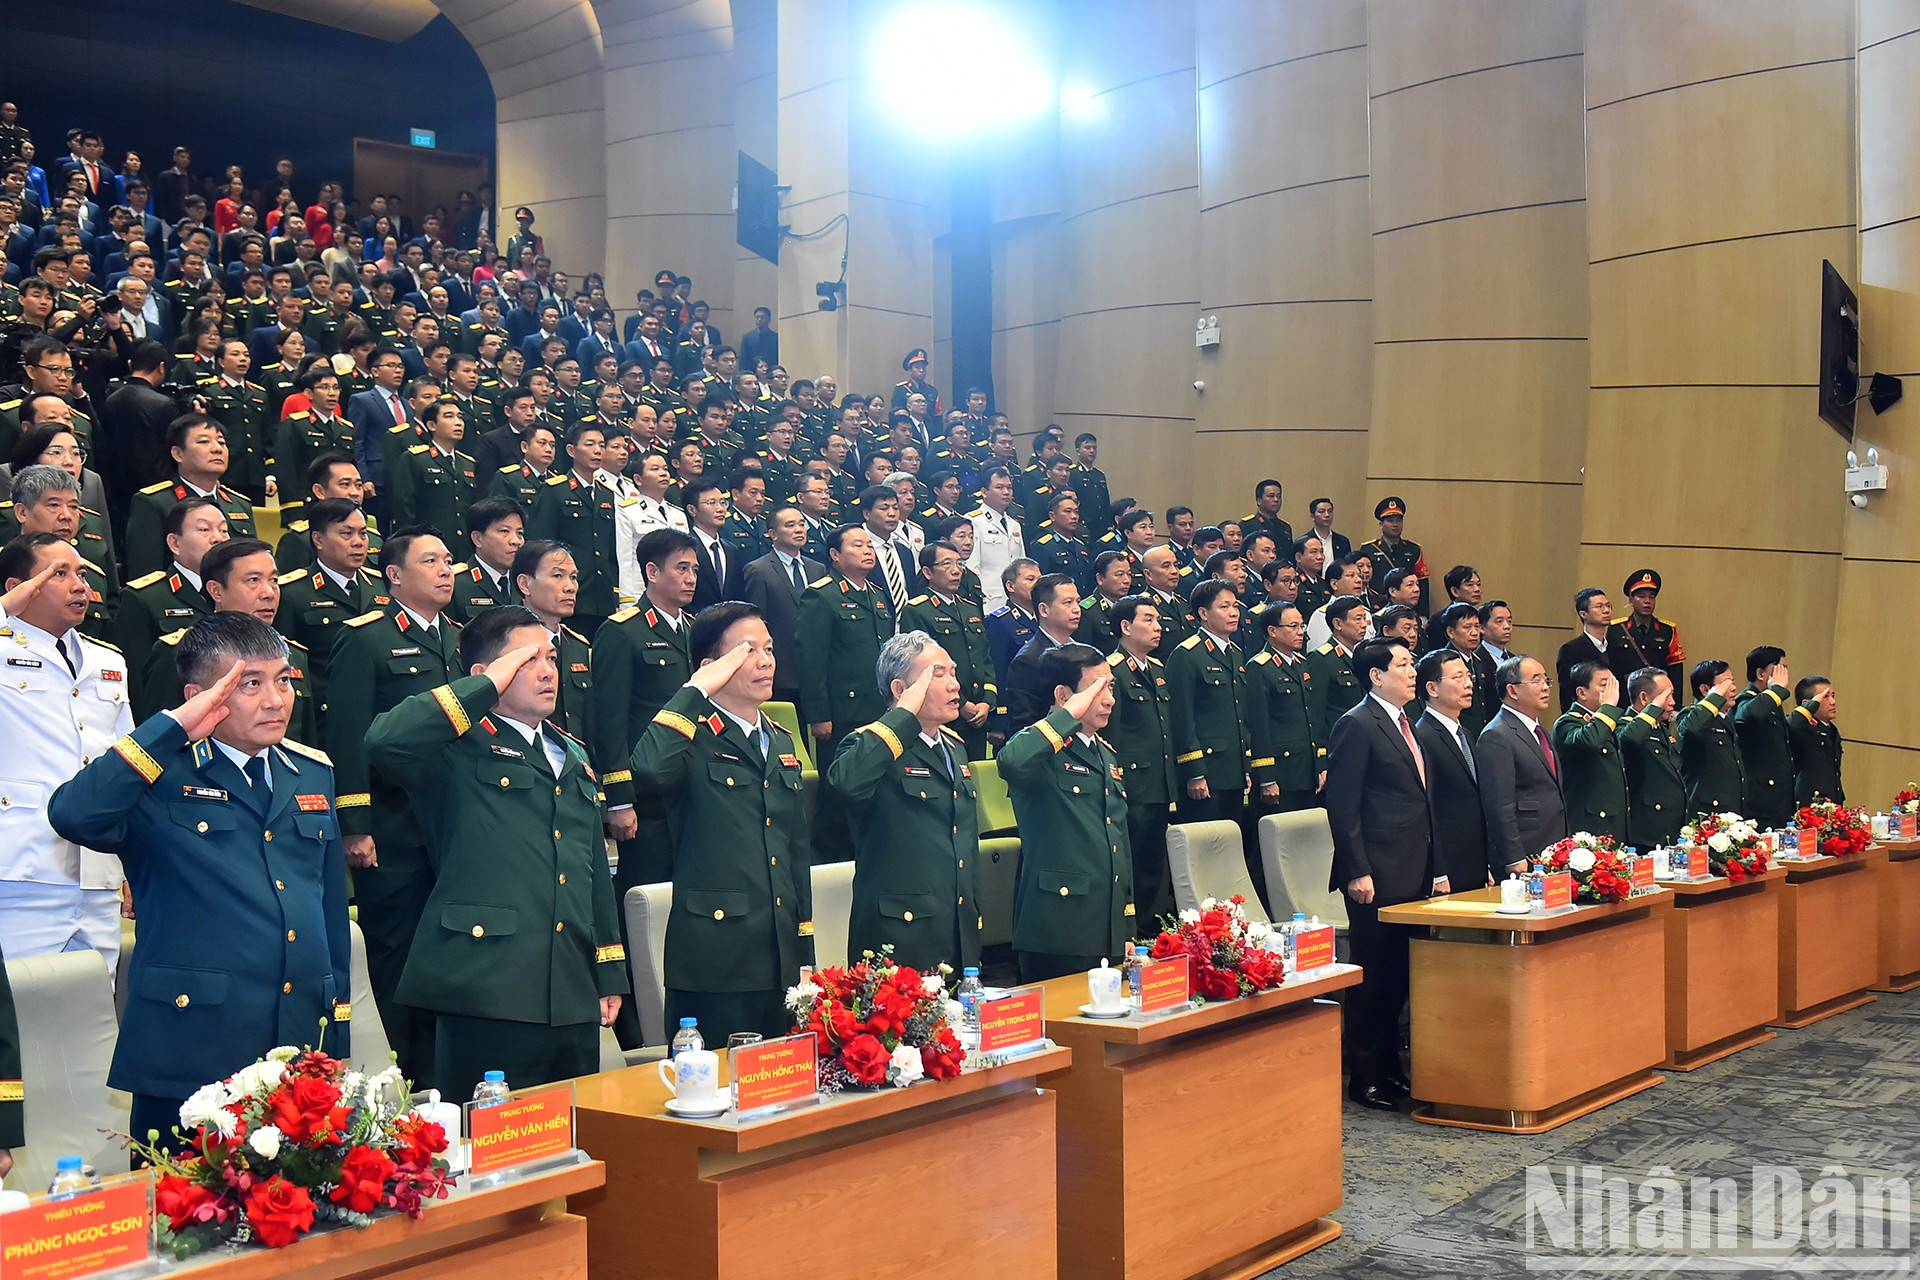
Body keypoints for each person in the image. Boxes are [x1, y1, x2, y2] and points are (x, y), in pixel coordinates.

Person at [48, 614, 347, 1150]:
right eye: (250, 684)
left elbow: (327, 915)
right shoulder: (159, 773)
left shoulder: (312, 773)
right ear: (199, 695)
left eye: (284, 680)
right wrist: (171, 729)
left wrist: (335, 1031)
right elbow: (74, 815)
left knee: (297, 1220)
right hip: (194, 1046)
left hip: (297, 1039)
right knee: (185, 1222)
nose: (276, 699)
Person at [366, 604, 624, 1098]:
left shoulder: (573, 754)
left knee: (575, 1140)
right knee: (490, 1146)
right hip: (486, 982)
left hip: (570, 981)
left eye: (550, 656)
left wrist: (608, 968)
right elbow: (384, 740)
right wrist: (483, 689)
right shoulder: (454, 745)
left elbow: (590, 867)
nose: (548, 670)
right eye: (529, 660)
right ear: (487, 673)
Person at [630, 601, 811, 1042]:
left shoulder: (782, 740)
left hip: (780, 953)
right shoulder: (688, 735)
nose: (765, 660)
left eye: (768, 649)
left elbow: (794, 849)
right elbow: (649, 769)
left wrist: (804, 947)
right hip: (715, 958)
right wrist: (694, 691)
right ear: (711, 666)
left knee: (785, 1095)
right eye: (748, 650)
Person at [323, 528, 459, 1082]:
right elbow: (350, 733)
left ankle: (447, 1073)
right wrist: (355, 824)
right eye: (431, 561)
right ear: (395, 575)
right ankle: (409, 1080)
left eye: (449, 560)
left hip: (452, 827)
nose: (446, 569)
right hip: (394, 829)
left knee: (450, 956)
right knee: (399, 956)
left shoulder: (460, 638)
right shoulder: (367, 639)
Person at [0, 536, 132, 965]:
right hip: (21, 869)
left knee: (92, 1016)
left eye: (81, 573)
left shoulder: (107, 661)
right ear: (18, 585)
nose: (80, 585)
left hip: (97, 869)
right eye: (59, 573)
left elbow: (127, 765)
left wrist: (132, 861)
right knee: (18, 1014)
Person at [1325, 637, 1439, 1111]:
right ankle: (1364, 1077)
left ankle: (1392, 1070)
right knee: (1373, 977)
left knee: (1399, 975)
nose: (1412, 671)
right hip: (1375, 874)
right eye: (1404, 665)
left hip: (1413, 868)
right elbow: (1343, 804)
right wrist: (1357, 870)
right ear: (1376, 675)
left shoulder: (1404, 721)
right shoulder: (1357, 724)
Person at [825, 631, 982, 974]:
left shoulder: (955, 748)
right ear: (900, 690)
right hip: (899, 937)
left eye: (954, 673)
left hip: (956, 930)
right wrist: (901, 718)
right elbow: (845, 785)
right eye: (938, 675)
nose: (954, 685)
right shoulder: (869, 745)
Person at [999, 644, 1133, 982]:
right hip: (1058, 930)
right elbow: (1011, 762)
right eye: (1097, 689)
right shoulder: (1041, 749)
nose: (1109, 699)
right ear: (1064, 695)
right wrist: (1067, 716)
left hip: (1106, 925)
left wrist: (1126, 923)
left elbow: (1118, 841)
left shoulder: (1106, 754)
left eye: (1111, 687)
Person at [139, 538, 317, 743]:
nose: (269, 593)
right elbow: (159, 737)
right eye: (253, 580)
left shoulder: (291, 653)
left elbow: (305, 740)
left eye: (274, 581)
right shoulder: (180, 652)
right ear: (216, 590)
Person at [1103, 596, 1176, 920]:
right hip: (1132, 781)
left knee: (1155, 859)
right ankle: (1131, 926)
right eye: (1148, 620)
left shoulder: (1157, 668)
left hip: (1158, 781)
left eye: (1158, 620)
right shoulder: (1112, 670)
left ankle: (1152, 926)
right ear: (1125, 626)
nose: (1157, 627)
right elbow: (1111, 734)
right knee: (1131, 857)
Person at [116, 497, 227, 710]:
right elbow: (135, 683)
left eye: (223, 531)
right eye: (204, 530)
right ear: (175, 543)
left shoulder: (236, 592)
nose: (217, 538)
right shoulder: (144, 598)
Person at [123, 413, 256, 577]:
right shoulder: (155, 502)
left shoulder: (239, 504)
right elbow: (145, 572)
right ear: (178, 454)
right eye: (204, 442)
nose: (217, 448)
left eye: (222, 442)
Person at [1476, 655, 1567, 875]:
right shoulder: (1496, 735)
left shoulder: (1540, 730)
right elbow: (1499, 805)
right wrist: (1513, 856)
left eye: (1546, 681)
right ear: (1513, 690)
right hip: (1526, 851)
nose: (1545, 687)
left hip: (1553, 846)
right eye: (1536, 681)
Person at [1413, 648, 1489, 890]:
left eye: (1469, 677)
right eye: (1458, 678)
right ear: (1432, 688)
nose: (1468, 684)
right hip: (1447, 863)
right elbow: (1429, 810)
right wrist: (1438, 871)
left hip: (1476, 858)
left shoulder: (1464, 733)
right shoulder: (1422, 736)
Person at [742, 505, 825, 712]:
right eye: (790, 525)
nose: (799, 529)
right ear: (772, 534)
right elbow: (757, 621)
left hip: (818, 669)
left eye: (801, 524)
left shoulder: (817, 569)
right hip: (782, 669)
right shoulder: (758, 570)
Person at [1246, 600, 1324, 816]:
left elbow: (1312, 718)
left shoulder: (1301, 664)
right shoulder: (1259, 667)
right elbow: (1259, 726)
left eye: (1302, 626)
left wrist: (1320, 764)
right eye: (1293, 627)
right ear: (1272, 631)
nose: (1301, 632)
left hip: (1307, 769)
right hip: (1282, 771)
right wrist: (1267, 776)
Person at [1552, 663, 1628, 843]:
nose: (1611, 691)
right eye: (1604, 685)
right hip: (1590, 822)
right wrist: (1608, 707)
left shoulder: (1610, 720)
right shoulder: (1567, 722)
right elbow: (1589, 741)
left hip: (1615, 818)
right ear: (1582, 692)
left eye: (1613, 684)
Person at [1731, 645, 1805, 828]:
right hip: (1761, 800)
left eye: (1786, 669)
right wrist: (1776, 690)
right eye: (1780, 669)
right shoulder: (1746, 700)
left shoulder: (1772, 702)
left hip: (1780, 797)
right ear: (1761, 674)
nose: (1785, 675)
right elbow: (1749, 715)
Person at [1002, 572, 1082, 728]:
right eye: (1067, 603)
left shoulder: (1082, 652)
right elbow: (1025, 724)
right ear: (1044, 610)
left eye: (1077, 602)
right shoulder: (1027, 660)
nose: (1076, 609)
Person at [1618, 667, 1684, 848]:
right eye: (1665, 696)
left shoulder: (1660, 727)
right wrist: (1654, 710)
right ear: (1644, 698)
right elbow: (1629, 739)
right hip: (1648, 830)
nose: (1672, 703)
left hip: (1671, 826)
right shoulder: (1626, 726)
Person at [1673, 659, 1746, 818]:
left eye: (1732, 682)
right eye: (1725, 684)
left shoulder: (1725, 718)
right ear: (1705, 689)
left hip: (1731, 806)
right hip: (1708, 809)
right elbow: (1689, 729)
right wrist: (1713, 699)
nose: (1733, 688)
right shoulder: (1691, 714)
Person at [1608, 569, 1685, 699]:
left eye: (1651, 597)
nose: (1647, 601)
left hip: (1658, 698)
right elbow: (1612, 669)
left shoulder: (1667, 630)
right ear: (1631, 600)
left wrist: (1674, 705)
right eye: (1641, 596)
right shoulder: (1616, 629)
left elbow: (1676, 672)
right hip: (1625, 698)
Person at [448, 496, 523, 621]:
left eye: (519, 533)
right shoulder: (455, 584)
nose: (516, 541)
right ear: (478, 539)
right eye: (504, 531)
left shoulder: (525, 582)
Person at [1305, 595, 1367, 729]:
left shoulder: (1362, 655)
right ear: (1338, 624)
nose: (1364, 624)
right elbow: (1316, 708)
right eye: (1358, 619)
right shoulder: (1321, 658)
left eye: (1364, 618)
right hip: (1338, 734)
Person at [967, 466, 1024, 612]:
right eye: (999, 487)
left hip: (1016, 601)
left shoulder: (1014, 525)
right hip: (989, 600)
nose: (1006, 492)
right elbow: (972, 567)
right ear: (984, 492)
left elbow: (1021, 564)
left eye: (1009, 488)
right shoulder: (973, 521)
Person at [1359, 496, 1426, 616]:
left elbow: (1423, 583)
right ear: (1381, 525)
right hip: (1377, 606)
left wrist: (1423, 614)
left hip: (1407, 609)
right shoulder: (1368, 549)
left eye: (1398, 520)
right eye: (1390, 521)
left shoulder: (1414, 549)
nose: (1395, 525)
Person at [1555, 588, 1614, 713]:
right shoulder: (1571, 650)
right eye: (1599, 606)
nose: (1606, 610)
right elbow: (1567, 695)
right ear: (1583, 614)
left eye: (1608, 606)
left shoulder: (1615, 647)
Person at [1787, 675, 1843, 804]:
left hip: (1831, 802)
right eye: (1825, 697)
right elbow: (1791, 726)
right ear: (1807, 703)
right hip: (1809, 803)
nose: (1833, 702)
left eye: (1833, 696)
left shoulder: (1831, 729)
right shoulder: (1801, 728)